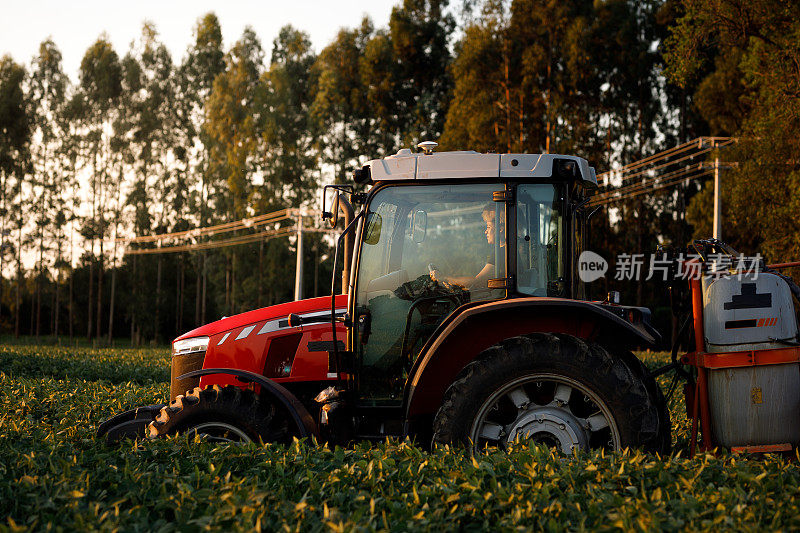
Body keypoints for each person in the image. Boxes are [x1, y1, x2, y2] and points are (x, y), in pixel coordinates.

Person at [430, 203, 504, 290]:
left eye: (488, 227)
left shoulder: (502, 254)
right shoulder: (507, 251)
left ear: (500, 229)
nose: (485, 231)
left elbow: (477, 282)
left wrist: (444, 278)